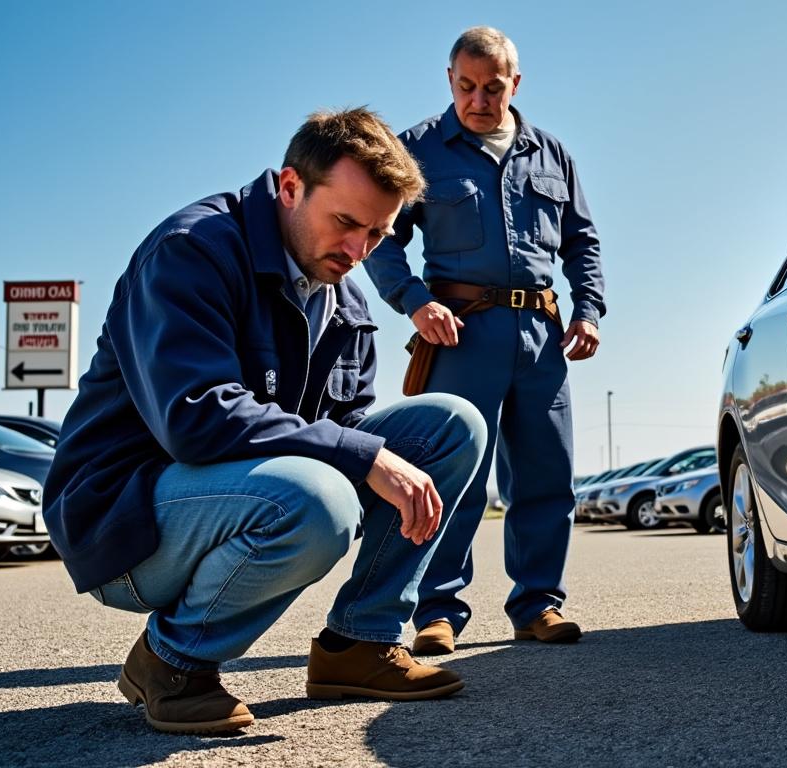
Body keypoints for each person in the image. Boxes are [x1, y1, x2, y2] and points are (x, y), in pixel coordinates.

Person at [44, 108, 488, 735]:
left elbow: (346, 426)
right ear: (289, 187)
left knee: (452, 425)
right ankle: (171, 663)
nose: (359, 251)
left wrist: (370, 459)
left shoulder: (346, 296)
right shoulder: (191, 251)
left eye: (379, 236)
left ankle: (360, 643)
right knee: (319, 496)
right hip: (126, 518)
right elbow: (195, 418)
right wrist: (364, 461)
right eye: (346, 223)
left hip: (237, 497)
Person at [365, 26, 604, 655]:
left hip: (542, 337)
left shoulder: (552, 154)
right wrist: (416, 303)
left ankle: (538, 605)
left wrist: (589, 311)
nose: (478, 100)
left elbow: (582, 241)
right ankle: (438, 612)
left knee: (546, 475)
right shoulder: (416, 149)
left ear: (514, 84)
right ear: (450, 81)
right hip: (462, 333)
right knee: (456, 477)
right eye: (466, 86)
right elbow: (382, 238)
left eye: (491, 88)